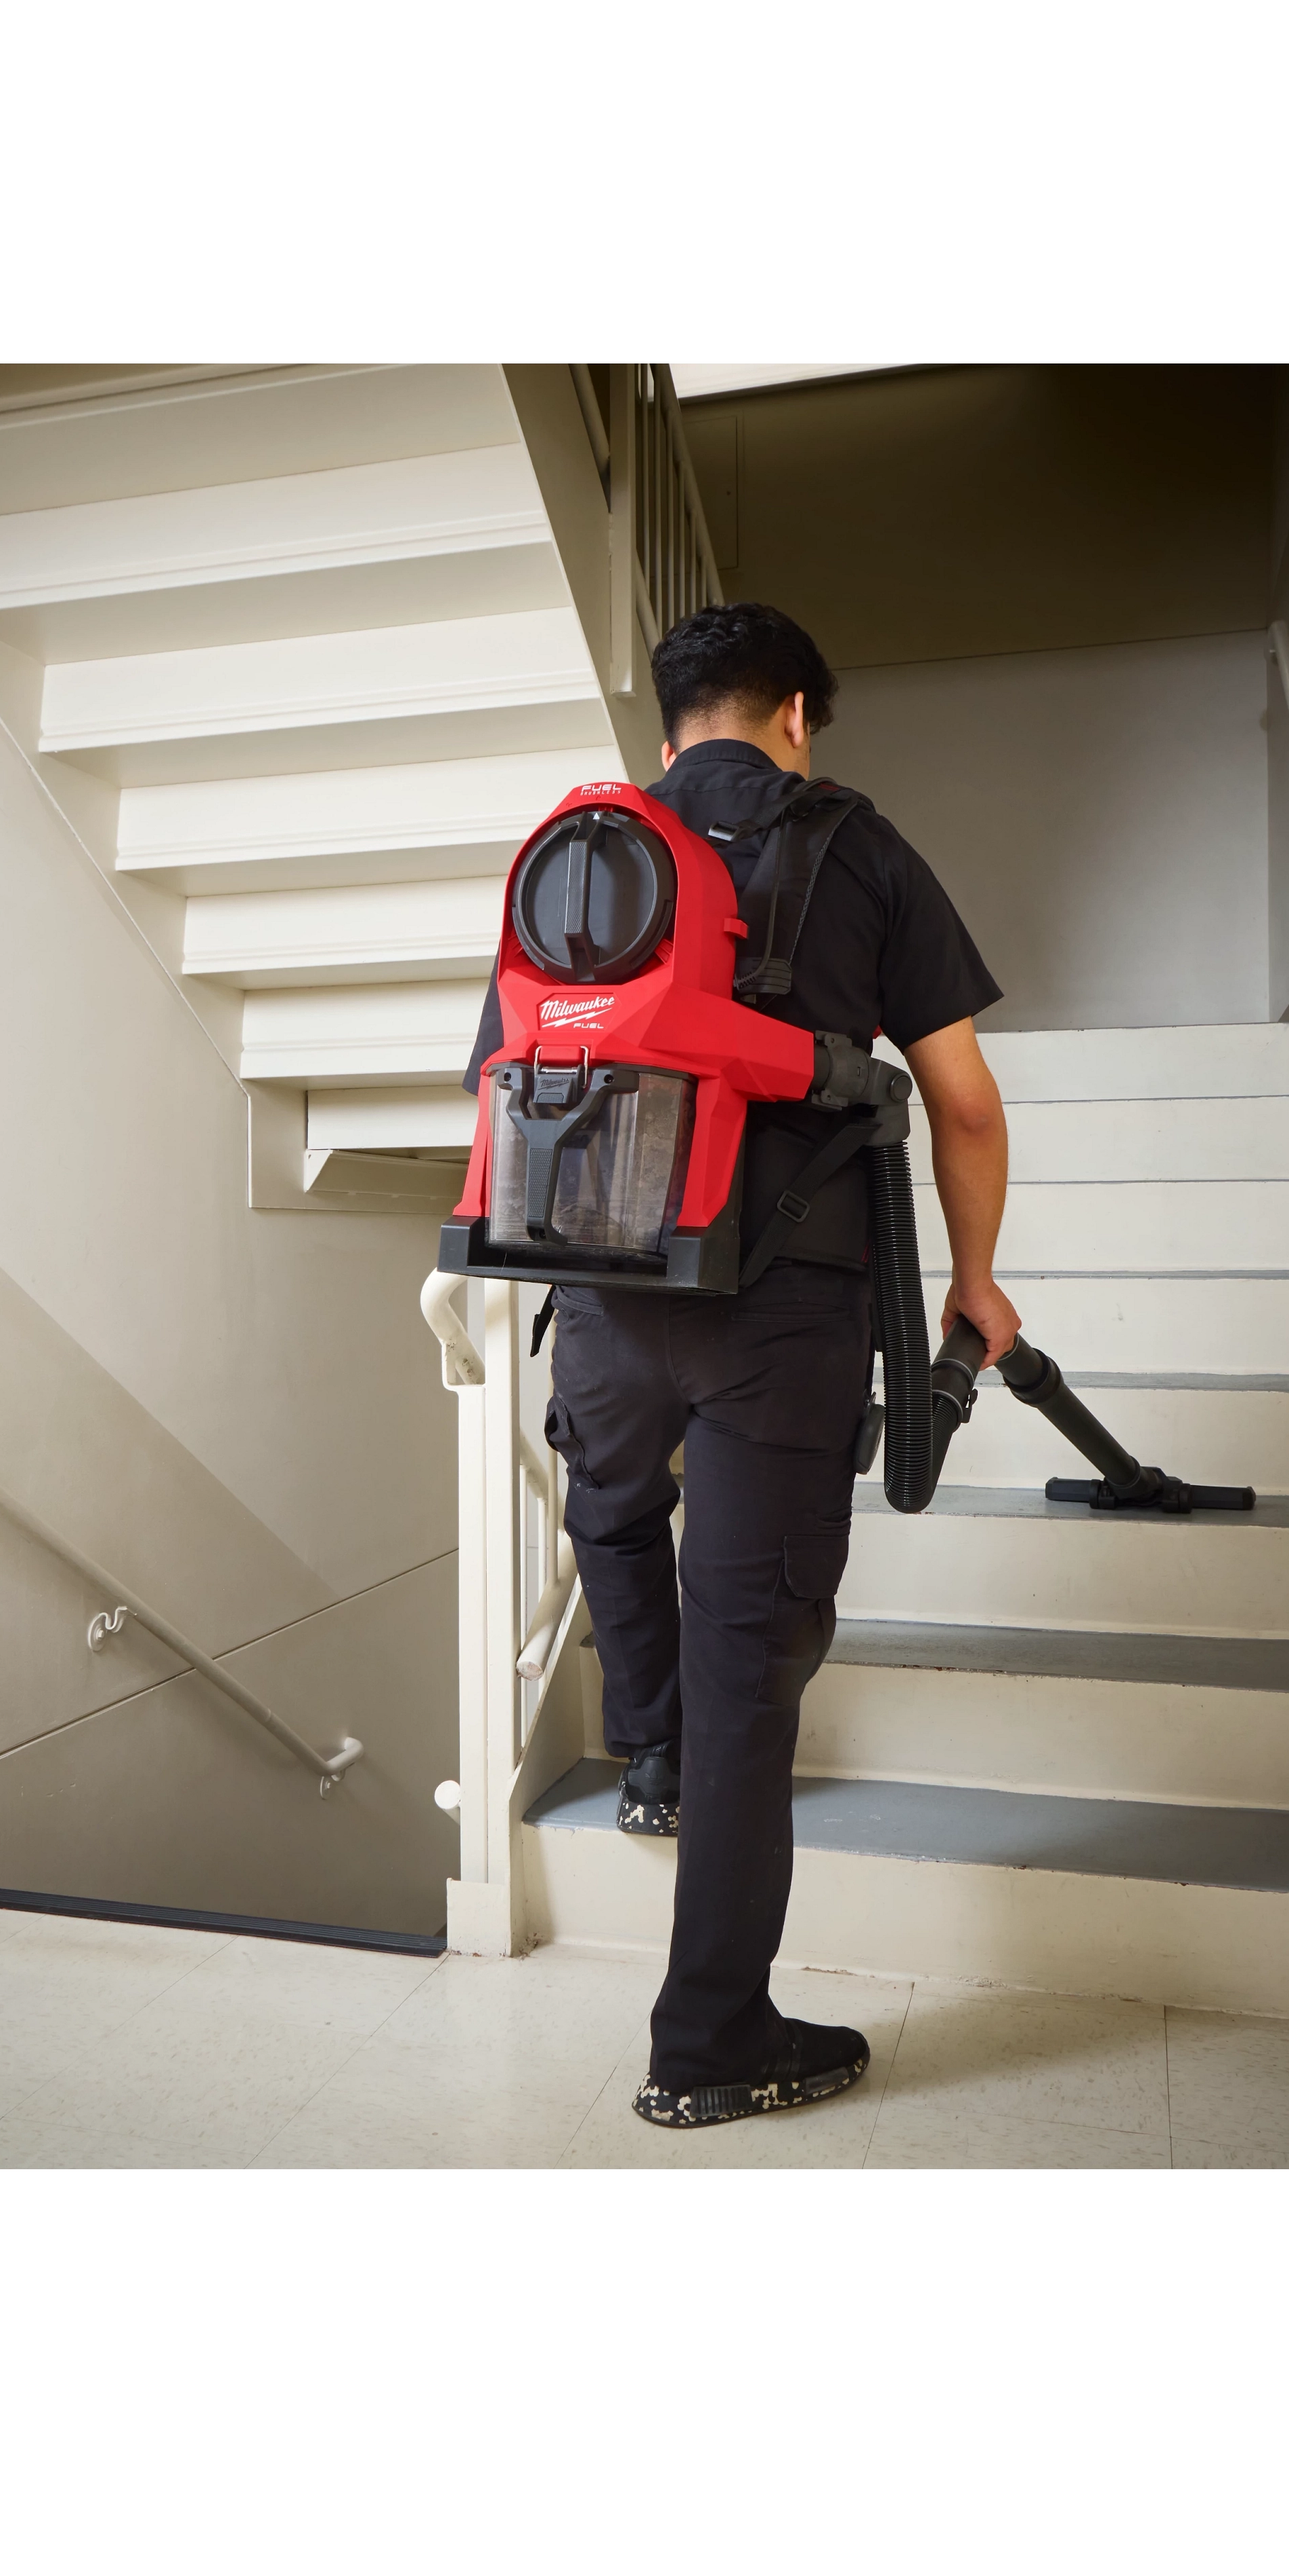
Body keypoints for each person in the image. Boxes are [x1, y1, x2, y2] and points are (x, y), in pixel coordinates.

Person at [462, 603, 1021, 2129]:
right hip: (783, 1306)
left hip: (595, 1280)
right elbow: (960, 1104)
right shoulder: (857, 847)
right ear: (793, 714)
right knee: (750, 1663)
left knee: (609, 1502)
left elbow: (510, 1069)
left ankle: (647, 1749)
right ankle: (710, 2036)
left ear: (665, 732)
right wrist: (973, 1283)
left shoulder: (586, 856)